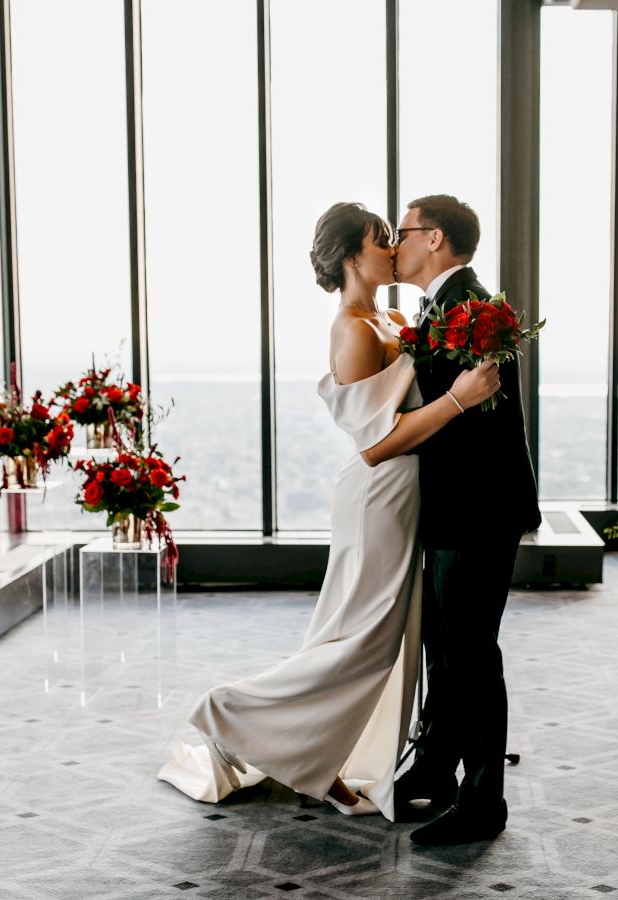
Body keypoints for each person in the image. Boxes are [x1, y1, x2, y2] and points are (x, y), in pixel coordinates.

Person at [159, 202, 499, 821]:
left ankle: (319, 760)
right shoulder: (352, 329)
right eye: (381, 242)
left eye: (397, 238)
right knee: (363, 642)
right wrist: (456, 399)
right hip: (379, 495)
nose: (393, 249)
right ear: (351, 257)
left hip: (405, 496)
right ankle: (229, 712)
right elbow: (373, 446)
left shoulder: (391, 315)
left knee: (372, 639)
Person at [390, 194, 541, 845]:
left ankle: (485, 801)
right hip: (453, 508)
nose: (396, 241)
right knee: (445, 647)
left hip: (477, 509)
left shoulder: (475, 310)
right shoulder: (443, 310)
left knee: (472, 652)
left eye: (405, 230)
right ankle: (432, 769)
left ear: (436, 238)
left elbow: (467, 423)